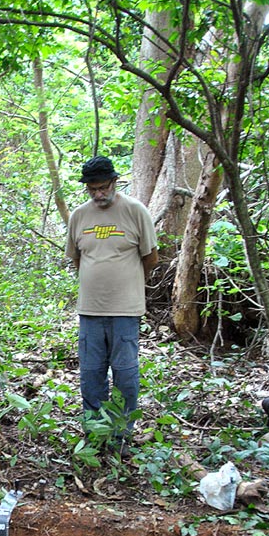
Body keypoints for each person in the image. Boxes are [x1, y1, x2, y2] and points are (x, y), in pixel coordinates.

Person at [65, 155, 158, 443]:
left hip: (126, 310)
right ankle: (95, 434)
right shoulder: (80, 216)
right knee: (91, 375)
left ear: (115, 182)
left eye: (103, 187)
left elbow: (151, 258)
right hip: (90, 310)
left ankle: (121, 435)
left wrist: (125, 283)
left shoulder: (134, 211)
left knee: (125, 375)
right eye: (92, 189)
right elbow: (77, 258)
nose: (98, 194)